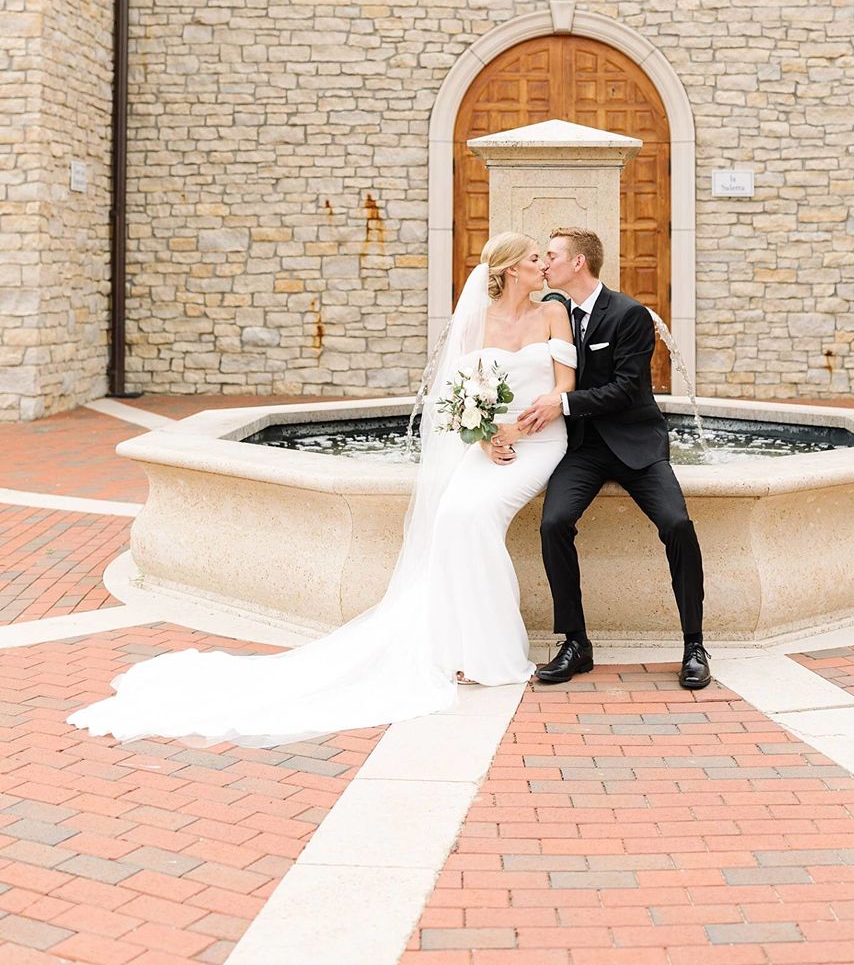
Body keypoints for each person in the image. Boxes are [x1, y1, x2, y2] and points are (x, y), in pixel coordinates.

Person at [67, 233, 575, 746]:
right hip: (489, 447)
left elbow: (564, 387)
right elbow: (461, 392)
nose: (543, 266)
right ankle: (462, 645)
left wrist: (522, 427)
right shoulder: (476, 320)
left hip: (540, 442)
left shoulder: (554, 313)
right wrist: (485, 435)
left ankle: (491, 651)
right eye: (535, 259)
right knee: (452, 518)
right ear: (511, 269)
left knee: (474, 516)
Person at [516, 227, 710, 691]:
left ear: (578, 262)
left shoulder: (628, 314)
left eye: (552, 255)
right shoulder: (553, 313)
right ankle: (576, 643)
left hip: (635, 444)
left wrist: (561, 404)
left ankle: (694, 646)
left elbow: (627, 388)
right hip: (581, 449)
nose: (544, 263)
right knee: (553, 523)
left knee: (677, 524)